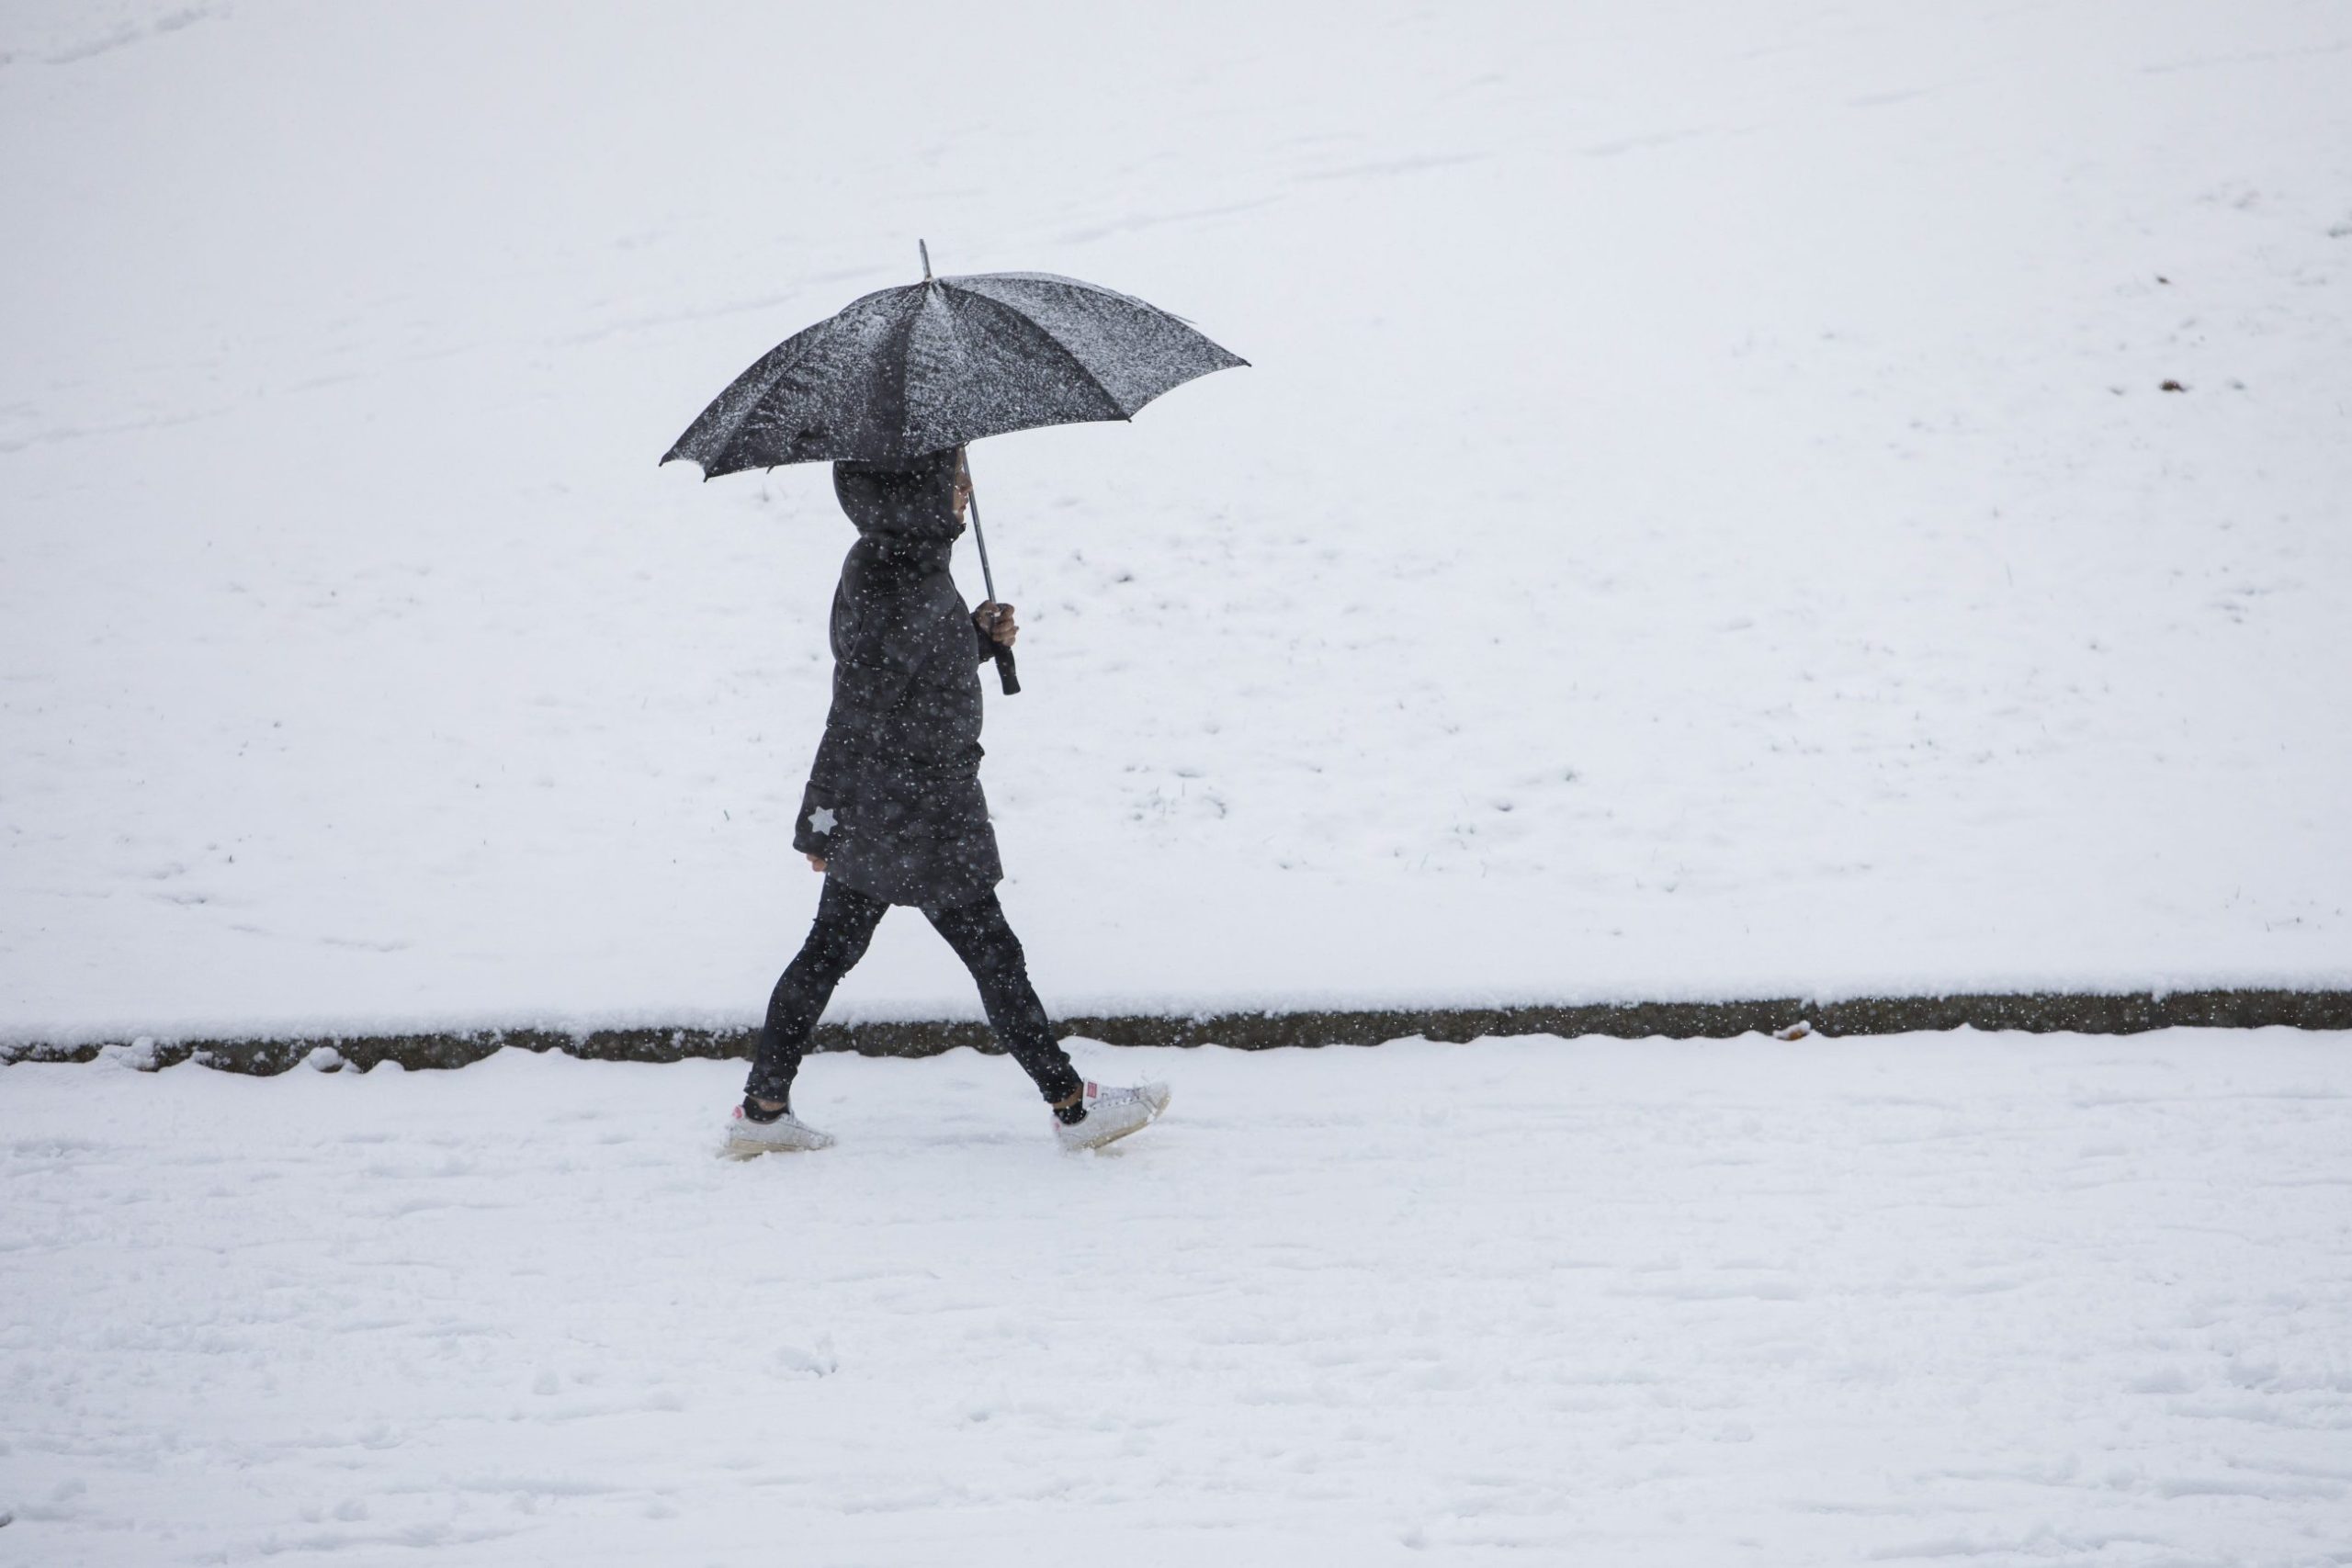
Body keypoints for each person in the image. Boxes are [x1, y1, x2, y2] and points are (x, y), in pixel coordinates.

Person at [721, 445, 1170, 1156]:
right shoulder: (896, 577)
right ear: (915, 488)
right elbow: (858, 704)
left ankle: (762, 1108)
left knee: (830, 953)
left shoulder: (899, 563)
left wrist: (976, 641)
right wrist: (821, 817)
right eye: (953, 475)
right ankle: (1071, 1105)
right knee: (993, 954)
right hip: (919, 808)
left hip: (898, 802)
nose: (965, 488)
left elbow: (911, 673)